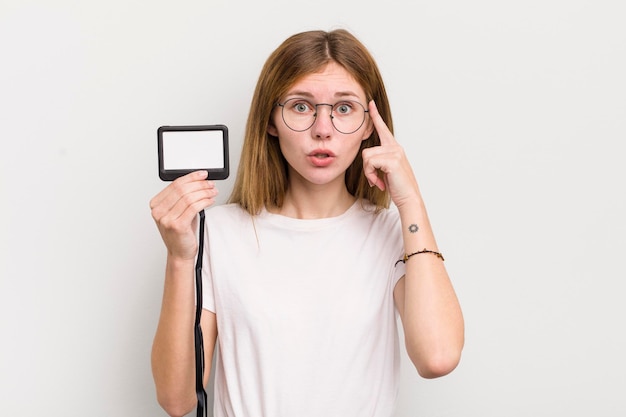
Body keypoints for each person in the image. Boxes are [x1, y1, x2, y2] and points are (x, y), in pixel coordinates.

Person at [149, 29, 464, 417]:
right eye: (301, 106)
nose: (323, 128)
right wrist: (181, 259)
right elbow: (177, 399)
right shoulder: (217, 233)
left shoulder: (390, 232)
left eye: (344, 108)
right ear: (271, 120)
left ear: (370, 126)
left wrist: (410, 201)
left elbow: (438, 357)